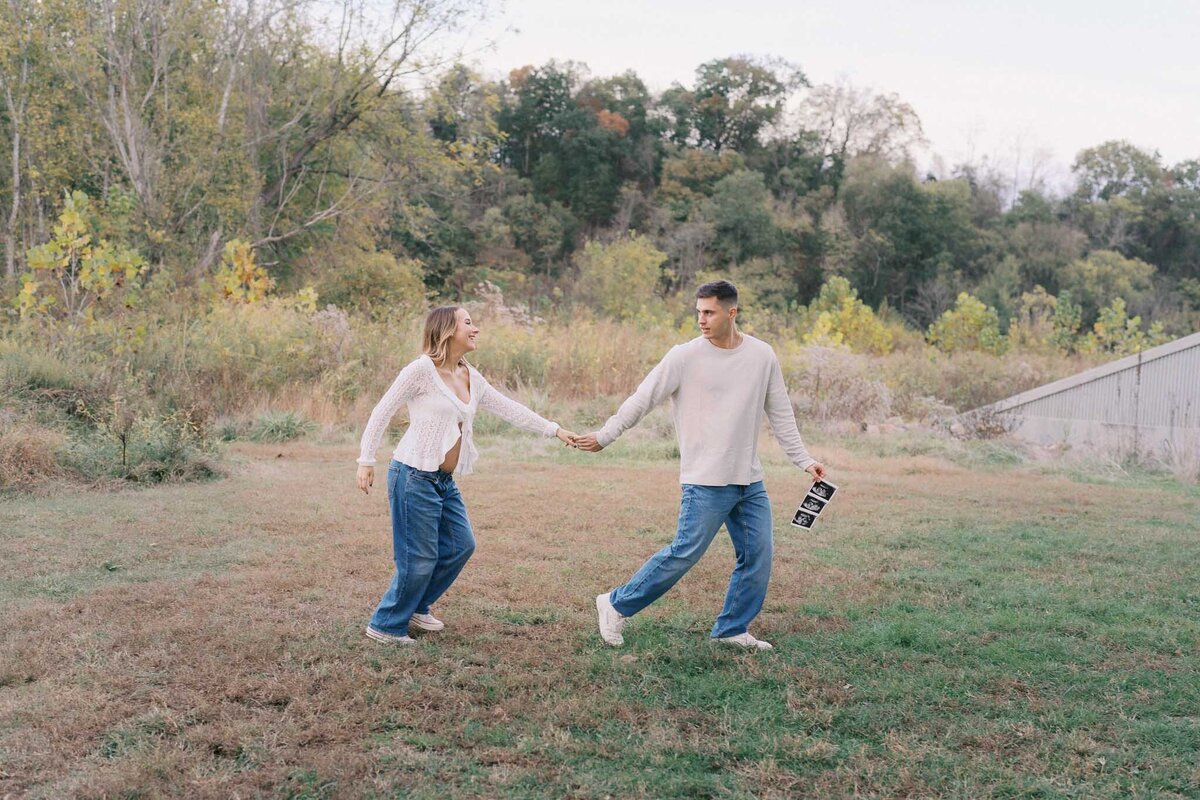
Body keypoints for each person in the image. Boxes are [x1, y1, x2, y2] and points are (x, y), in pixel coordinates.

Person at [574, 280, 827, 650]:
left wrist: (805, 460)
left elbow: (781, 414)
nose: (701, 320)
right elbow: (640, 400)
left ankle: (732, 629)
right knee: (683, 553)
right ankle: (614, 604)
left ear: (731, 312)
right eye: (698, 313)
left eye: (709, 312)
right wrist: (605, 435)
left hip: (749, 480)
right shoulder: (683, 357)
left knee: (759, 555)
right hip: (705, 480)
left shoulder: (762, 356)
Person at [356, 305, 576, 645]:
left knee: (461, 545)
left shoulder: (470, 375)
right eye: (468, 323)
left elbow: (510, 408)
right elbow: (382, 410)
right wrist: (366, 459)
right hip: (413, 476)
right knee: (419, 557)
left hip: (443, 481)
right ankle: (386, 624)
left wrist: (554, 430)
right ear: (447, 330)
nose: (476, 329)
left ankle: (417, 606)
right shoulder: (421, 370)